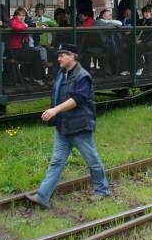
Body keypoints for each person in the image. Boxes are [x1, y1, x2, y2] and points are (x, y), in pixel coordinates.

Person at [26, 43, 110, 208]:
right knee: (56, 162)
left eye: (62, 55)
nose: (58, 58)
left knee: (92, 160)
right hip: (63, 127)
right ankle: (42, 196)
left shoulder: (83, 76)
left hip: (79, 127)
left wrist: (55, 110)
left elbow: (77, 99)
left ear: (73, 56)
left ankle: (102, 191)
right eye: (59, 55)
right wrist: (55, 114)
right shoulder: (62, 74)